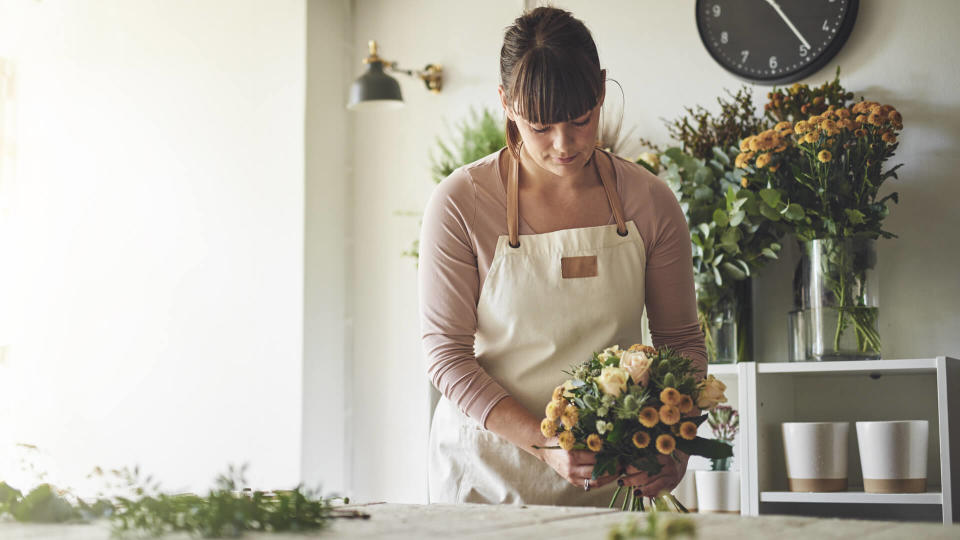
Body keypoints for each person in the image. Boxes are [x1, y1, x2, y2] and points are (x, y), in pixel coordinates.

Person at [418, 6, 706, 506]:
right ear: (506, 103)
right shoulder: (461, 203)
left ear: (600, 89)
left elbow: (680, 342)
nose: (563, 145)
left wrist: (674, 445)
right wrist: (543, 442)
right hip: (489, 482)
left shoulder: (649, 201)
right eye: (539, 127)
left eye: (580, 120)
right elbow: (445, 356)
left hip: (614, 484)